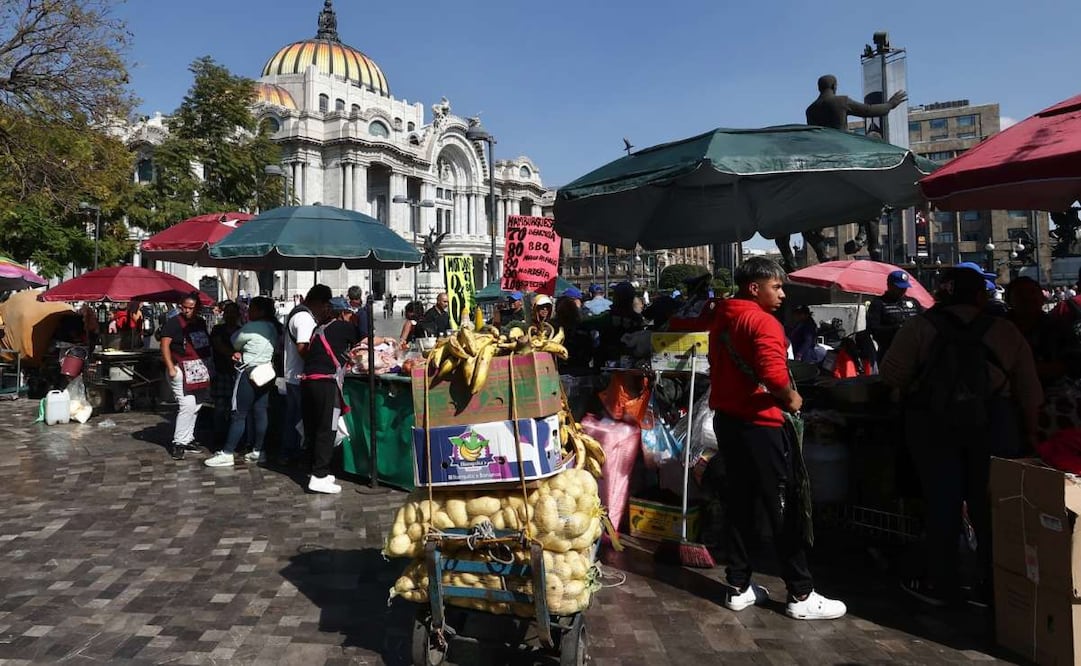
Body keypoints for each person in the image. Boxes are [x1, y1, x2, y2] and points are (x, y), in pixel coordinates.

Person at [880, 264, 1042, 606]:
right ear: (981, 295)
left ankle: (942, 584)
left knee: (942, 503)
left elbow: (892, 375)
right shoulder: (1004, 330)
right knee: (993, 507)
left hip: (933, 425)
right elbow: (1030, 390)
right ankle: (993, 587)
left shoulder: (919, 327)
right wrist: (1031, 432)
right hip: (994, 424)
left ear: (941, 294)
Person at [708, 257, 845, 620]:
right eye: (777, 287)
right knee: (783, 506)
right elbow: (772, 372)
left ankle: (737, 586)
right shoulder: (762, 321)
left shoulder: (723, 315)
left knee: (741, 502)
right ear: (755, 288)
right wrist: (792, 397)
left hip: (728, 421)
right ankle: (801, 594)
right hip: (761, 425)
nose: (783, 294)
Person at [204, 297, 280, 468]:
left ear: (260, 311)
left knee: (239, 413)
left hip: (249, 371)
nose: (248, 312)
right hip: (267, 372)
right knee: (261, 412)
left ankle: (227, 452)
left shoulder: (250, 327)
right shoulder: (273, 327)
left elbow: (235, 342)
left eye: (251, 309)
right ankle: (258, 450)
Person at [300, 290, 359, 494]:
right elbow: (365, 342)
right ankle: (320, 476)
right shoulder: (344, 327)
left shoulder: (318, 329)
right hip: (326, 384)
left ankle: (313, 469)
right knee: (327, 428)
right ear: (342, 313)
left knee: (313, 428)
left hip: (308, 381)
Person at [160, 293, 215, 461]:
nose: (186, 311)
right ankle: (178, 442)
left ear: (196, 308)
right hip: (180, 368)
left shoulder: (200, 322)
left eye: (190, 308)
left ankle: (188, 438)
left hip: (199, 368)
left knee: (197, 404)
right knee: (187, 404)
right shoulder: (173, 323)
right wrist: (170, 367)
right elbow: (165, 345)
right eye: (184, 307)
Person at [282, 285, 331, 466]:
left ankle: (290, 452)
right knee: (298, 418)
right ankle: (291, 453)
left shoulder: (298, 313)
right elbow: (303, 347)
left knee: (294, 416)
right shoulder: (304, 318)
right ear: (318, 302)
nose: (326, 309)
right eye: (325, 304)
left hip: (294, 373)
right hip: (299, 375)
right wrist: (316, 364)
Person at [1006, 276, 1073, 386]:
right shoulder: (999, 330)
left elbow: (1073, 360)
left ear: (1042, 298)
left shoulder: (1058, 326)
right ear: (1009, 300)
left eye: (1032, 292)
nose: (1028, 298)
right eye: (1021, 294)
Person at [866, 270, 924, 361]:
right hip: (889, 352)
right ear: (890, 285)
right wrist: (897, 328)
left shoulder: (913, 302)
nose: (902, 291)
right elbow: (873, 329)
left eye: (904, 288)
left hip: (914, 352)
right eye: (899, 288)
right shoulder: (879, 303)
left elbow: (923, 323)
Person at [208, 301, 242, 451]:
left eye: (234, 313)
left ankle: (234, 437)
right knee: (220, 406)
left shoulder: (242, 331)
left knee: (236, 407)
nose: (231, 316)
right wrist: (231, 353)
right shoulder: (217, 329)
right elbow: (217, 345)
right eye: (228, 312)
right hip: (221, 371)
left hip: (238, 372)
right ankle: (219, 436)